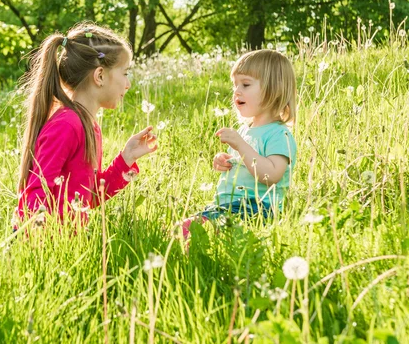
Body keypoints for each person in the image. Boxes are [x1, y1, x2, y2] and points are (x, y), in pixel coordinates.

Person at [16, 22, 157, 225]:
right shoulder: (67, 125)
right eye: (125, 73)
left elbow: (89, 198)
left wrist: (126, 158)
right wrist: (39, 246)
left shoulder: (88, 126)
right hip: (43, 243)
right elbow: (37, 191)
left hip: (68, 244)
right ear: (99, 76)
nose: (128, 84)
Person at [182, 49, 297, 238]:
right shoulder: (246, 130)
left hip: (256, 208)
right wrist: (224, 161)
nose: (237, 91)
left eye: (245, 84)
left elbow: (271, 175)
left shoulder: (279, 134)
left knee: (189, 230)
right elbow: (242, 164)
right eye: (235, 85)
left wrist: (241, 146)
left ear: (273, 89)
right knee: (182, 230)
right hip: (226, 205)